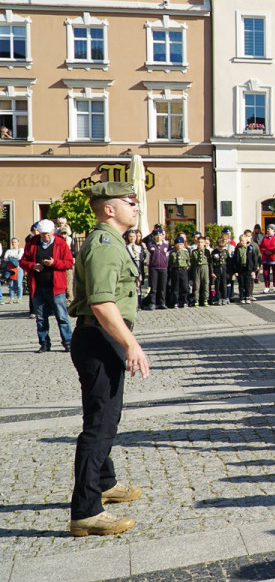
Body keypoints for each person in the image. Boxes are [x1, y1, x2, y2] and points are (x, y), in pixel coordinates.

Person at [65, 181, 150, 537]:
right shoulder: (103, 245)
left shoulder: (111, 240)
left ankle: (104, 482)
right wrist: (131, 344)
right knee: (100, 425)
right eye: (131, 202)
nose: (137, 207)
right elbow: (101, 303)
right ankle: (86, 511)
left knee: (102, 418)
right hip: (100, 337)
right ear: (110, 209)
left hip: (100, 336)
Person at [21, 219, 75, 351]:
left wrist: (54, 263)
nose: (46, 236)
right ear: (39, 233)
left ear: (53, 231)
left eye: (48, 233)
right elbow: (22, 261)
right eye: (43, 234)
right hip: (38, 286)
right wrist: (33, 266)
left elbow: (69, 263)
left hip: (56, 287)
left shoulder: (61, 243)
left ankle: (68, 342)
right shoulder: (32, 243)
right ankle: (44, 343)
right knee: (40, 318)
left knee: (62, 316)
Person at [232, 232, 260, 303]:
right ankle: (242, 297)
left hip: (248, 269)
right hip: (240, 269)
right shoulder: (237, 249)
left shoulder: (250, 248)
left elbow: (254, 259)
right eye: (240, 240)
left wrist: (254, 269)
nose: (242, 242)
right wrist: (235, 271)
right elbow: (235, 260)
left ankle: (247, 296)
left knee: (248, 284)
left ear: (246, 241)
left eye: (243, 240)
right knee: (241, 284)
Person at [144, 230, 169, 310]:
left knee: (162, 287)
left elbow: (167, 257)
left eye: (160, 235)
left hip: (163, 268)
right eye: (156, 235)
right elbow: (148, 257)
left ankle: (162, 302)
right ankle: (152, 302)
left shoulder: (166, 246)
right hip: (154, 268)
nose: (158, 237)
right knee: (153, 287)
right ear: (154, 236)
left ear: (162, 236)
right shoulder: (151, 245)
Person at [167, 236, 190, 309]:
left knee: (184, 287)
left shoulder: (185, 252)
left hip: (183, 270)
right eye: (177, 244)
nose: (179, 246)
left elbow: (188, 262)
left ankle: (184, 301)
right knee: (175, 287)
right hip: (175, 270)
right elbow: (170, 263)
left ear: (183, 245)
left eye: (181, 244)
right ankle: (175, 302)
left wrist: (186, 267)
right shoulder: (172, 253)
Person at [57, 217, 76, 304]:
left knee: (69, 285)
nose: (63, 235)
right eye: (62, 233)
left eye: (65, 233)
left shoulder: (70, 241)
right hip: (59, 265)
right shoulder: (57, 242)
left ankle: (70, 302)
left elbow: (73, 252)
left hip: (68, 265)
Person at [211, 233, 231, 305]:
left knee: (224, 284)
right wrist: (212, 272)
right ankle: (218, 298)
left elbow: (228, 262)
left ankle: (224, 297)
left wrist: (228, 272)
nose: (221, 248)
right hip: (216, 269)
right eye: (219, 246)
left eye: (222, 247)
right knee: (217, 285)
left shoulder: (225, 252)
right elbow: (211, 263)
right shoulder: (214, 252)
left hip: (224, 269)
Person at [259, 224, 275, 293]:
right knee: (265, 273)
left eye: (269, 229)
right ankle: (267, 286)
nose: (267, 230)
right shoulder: (265, 237)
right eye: (267, 229)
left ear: (273, 230)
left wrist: (273, 251)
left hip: (274, 257)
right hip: (266, 257)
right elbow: (261, 246)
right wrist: (265, 251)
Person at [190, 236, 211, 306]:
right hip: (197, 267)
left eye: (201, 242)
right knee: (196, 284)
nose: (200, 244)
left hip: (205, 267)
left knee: (205, 283)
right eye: (199, 242)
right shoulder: (194, 252)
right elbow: (193, 261)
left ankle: (205, 299)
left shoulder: (207, 251)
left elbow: (209, 261)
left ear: (204, 243)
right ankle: (196, 299)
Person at [4, 237, 24, 303]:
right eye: (12, 242)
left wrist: (11, 257)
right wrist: (14, 258)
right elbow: (5, 258)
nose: (14, 243)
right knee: (11, 284)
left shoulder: (20, 250)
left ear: (18, 243)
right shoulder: (9, 251)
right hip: (10, 269)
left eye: (15, 242)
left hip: (19, 268)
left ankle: (19, 298)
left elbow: (19, 257)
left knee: (19, 284)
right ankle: (11, 298)